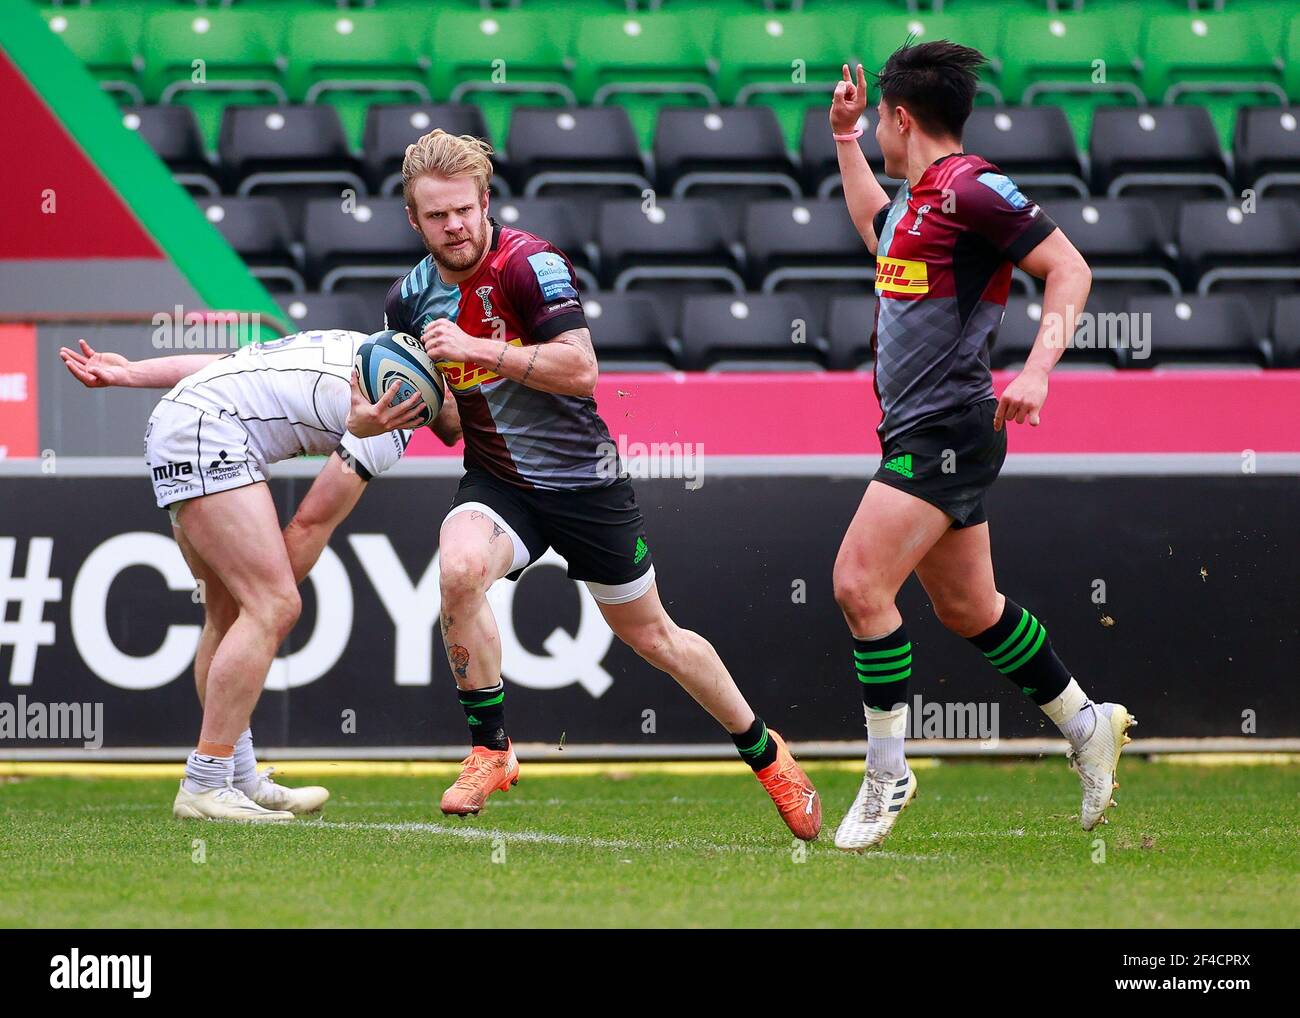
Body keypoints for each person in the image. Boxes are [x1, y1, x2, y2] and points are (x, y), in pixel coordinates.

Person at [351, 128, 822, 839]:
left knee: (656, 638)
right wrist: (384, 415)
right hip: (500, 484)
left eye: (464, 210)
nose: (454, 226)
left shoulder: (530, 265)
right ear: (413, 220)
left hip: (584, 484)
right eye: (437, 215)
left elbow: (581, 371)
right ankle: (490, 749)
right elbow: (447, 422)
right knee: (457, 569)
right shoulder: (407, 300)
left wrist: (479, 348)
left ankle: (766, 753)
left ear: (485, 203)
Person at [827, 44, 1135, 851]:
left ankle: (887, 773)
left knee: (860, 584)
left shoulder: (970, 187)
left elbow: (1068, 267)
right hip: (917, 429)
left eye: (878, 122)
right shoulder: (915, 200)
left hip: (949, 429)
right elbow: (872, 226)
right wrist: (843, 140)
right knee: (969, 608)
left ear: (903, 116)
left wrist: (1038, 371)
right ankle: (1086, 722)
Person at [60, 329, 459, 821]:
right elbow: (312, 522)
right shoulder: (394, 417)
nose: (477, 416)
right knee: (273, 605)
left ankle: (237, 777)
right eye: (475, 399)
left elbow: (228, 363)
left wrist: (130, 374)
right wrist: (271, 603)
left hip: (182, 418)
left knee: (228, 615)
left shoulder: (358, 343)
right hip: (206, 432)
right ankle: (205, 781)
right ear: (442, 384)